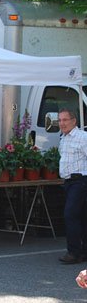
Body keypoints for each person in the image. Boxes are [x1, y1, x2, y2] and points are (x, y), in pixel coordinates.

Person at [57, 108, 87, 264]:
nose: (62, 123)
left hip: (80, 181)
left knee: (70, 215)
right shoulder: (63, 138)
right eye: (60, 120)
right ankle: (82, 252)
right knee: (80, 217)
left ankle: (74, 252)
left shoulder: (83, 137)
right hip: (69, 182)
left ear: (74, 121)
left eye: (65, 120)